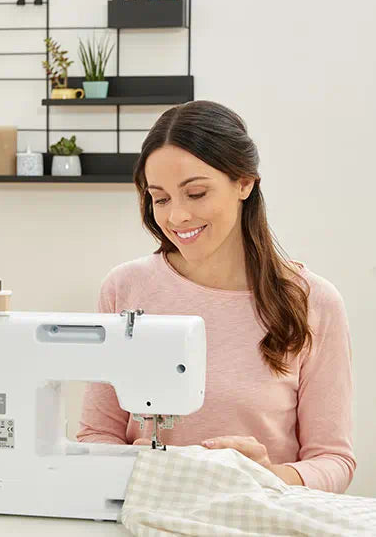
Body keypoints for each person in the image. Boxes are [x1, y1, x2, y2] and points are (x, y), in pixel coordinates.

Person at [76, 100, 356, 494]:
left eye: (196, 193)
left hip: (257, 516)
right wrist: (126, 464)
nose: (176, 217)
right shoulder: (124, 289)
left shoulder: (313, 302)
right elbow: (96, 435)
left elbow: (334, 460)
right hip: (149, 511)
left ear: (244, 183)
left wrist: (271, 475)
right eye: (161, 199)